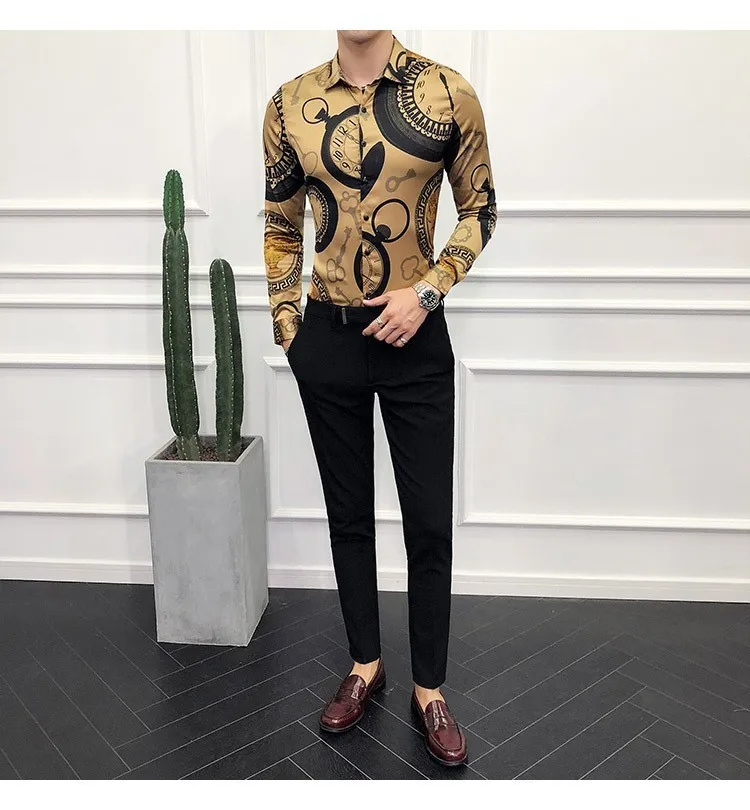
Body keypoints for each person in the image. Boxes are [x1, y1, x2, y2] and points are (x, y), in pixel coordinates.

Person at [262, 29, 496, 767]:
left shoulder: (446, 92)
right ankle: (366, 664)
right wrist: (289, 329)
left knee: (428, 521)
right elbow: (279, 225)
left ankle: (431, 688)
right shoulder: (289, 104)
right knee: (348, 515)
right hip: (326, 340)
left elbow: (481, 210)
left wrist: (428, 292)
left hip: (415, 340)